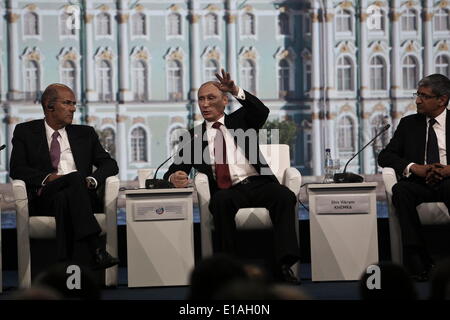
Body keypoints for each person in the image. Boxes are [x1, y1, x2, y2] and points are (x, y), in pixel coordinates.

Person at [164, 69, 300, 283]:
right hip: (227, 190)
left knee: (284, 196)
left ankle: (283, 266)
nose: (205, 104)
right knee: (220, 203)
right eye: (201, 99)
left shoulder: (241, 120)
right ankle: (229, 270)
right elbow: (172, 170)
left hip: (258, 182)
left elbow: (261, 111)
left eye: (211, 98)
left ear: (224, 101)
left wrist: (236, 89)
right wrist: (174, 177)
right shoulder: (193, 136)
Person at [10, 83, 119, 270]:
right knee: (74, 178)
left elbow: (110, 164)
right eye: (67, 103)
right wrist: (47, 178)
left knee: (66, 194)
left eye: (74, 104)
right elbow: (17, 169)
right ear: (49, 106)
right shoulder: (25, 132)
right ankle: (96, 248)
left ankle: (63, 265)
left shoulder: (85, 133)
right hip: (44, 196)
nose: (73, 108)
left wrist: (92, 180)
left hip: (81, 194)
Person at [378, 74, 450, 281]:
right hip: (419, 182)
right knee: (401, 191)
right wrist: (413, 167)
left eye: (424, 96)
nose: (417, 100)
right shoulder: (409, 124)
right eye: (417, 95)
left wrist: (447, 170)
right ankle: (418, 260)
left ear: (442, 99)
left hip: (448, 180)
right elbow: (385, 156)